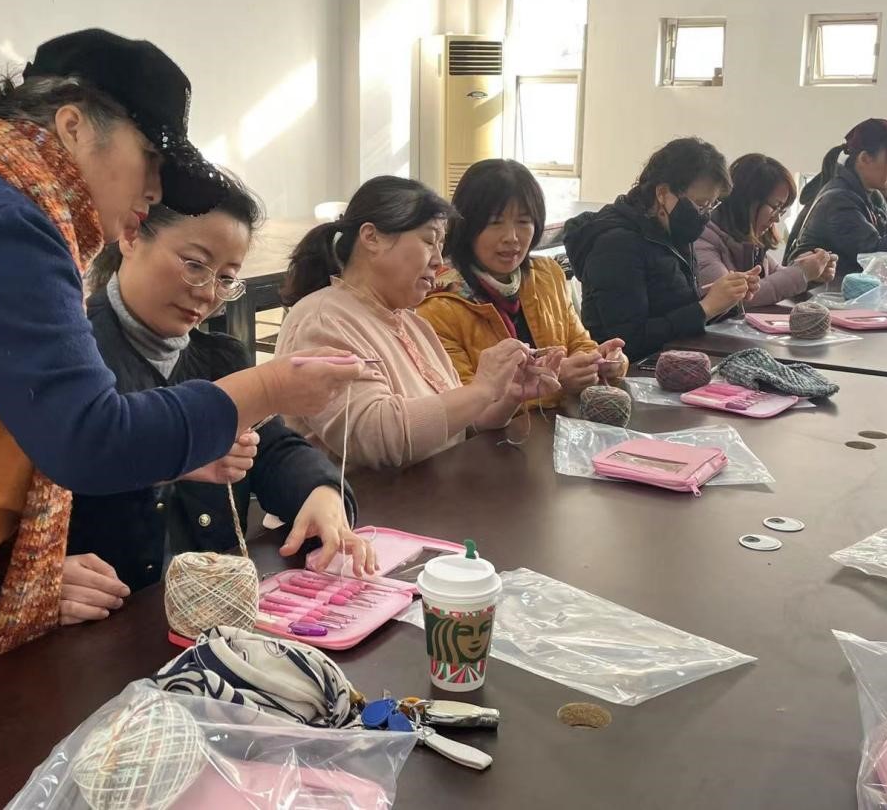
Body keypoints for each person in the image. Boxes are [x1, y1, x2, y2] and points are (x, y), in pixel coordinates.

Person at [0, 29, 363, 750]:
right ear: (72, 125)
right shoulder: (3, 224)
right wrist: (270, 385)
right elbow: (88, 440)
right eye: (150, 160)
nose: (154, 192)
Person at [63, 181, 378, 624]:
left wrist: (321, 493)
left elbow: (272, 448)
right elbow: (17, 501)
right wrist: (46, 577)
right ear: (131, 237)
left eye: (226, 278)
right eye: (195, 265)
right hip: (110, 625)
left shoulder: (219, 359)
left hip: (215, 620)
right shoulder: (71, 361)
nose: (208, 292)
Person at [275, 175, 561, 470]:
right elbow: (376, 440)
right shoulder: (323, 320)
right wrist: (482, 389)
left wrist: (507, 396)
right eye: (428, 240)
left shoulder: (411, 323)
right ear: (372, 238)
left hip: (431, 493)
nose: (438, 260)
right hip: (362, 498)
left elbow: (457, 427)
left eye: (441, 245)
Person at [416, 159, 626, 407]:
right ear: (467, 226)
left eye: (524, 221)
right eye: (495, 222)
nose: (512, 237)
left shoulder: (547, 275)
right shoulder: (438, 307)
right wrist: (556, 383)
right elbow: (463, 405)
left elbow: (578, 343)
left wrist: (600, 362)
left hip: (563, 424)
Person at [564, 137, 756, 362]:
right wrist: (706, 308)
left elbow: (671, 307)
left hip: (670, 360)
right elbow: (627, 341)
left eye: (711, 206)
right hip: (627, 371)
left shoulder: (671, 232)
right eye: (700, 204)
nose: (704, 215)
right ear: (663, 192)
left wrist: (725, 298)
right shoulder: (616, 244)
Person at [786, 119, 887, 276]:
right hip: (819, 294)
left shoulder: (873, 196)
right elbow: (876, 257)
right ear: (865, 159)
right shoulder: (839, 201)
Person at [696, 154, 836, 307]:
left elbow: (777, 276)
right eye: (775, 207)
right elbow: (731, 300)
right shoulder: (701, 241)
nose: (777, 219)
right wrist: (801, 273)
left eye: (782, 211)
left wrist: (812, 273)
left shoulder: (750, 244)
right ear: (747, 200)